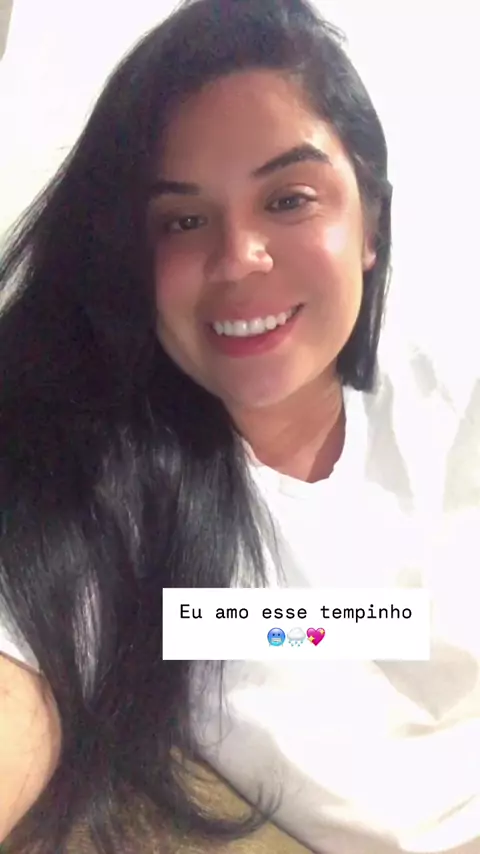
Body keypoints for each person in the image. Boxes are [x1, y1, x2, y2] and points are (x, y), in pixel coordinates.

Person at [1, 0, 479, 852]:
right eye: (183, 221)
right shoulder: (101, 485)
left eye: (289, 199)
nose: (236, 258)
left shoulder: (452, 414)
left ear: (370, 221)